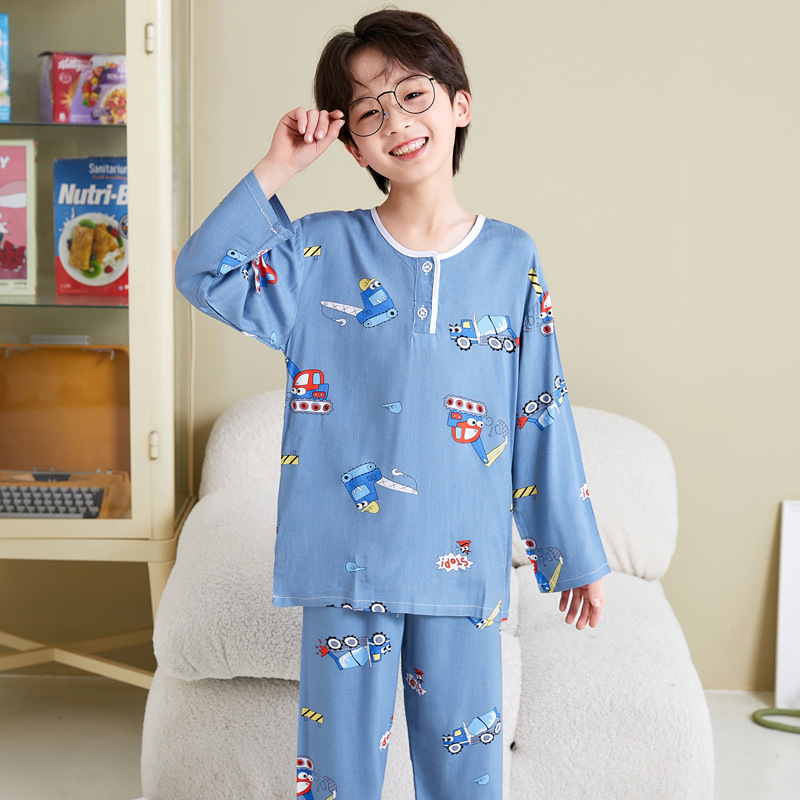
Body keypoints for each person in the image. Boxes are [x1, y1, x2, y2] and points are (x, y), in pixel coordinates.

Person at [175, 9, 610, 799]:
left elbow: (538, 409)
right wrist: (278, 166)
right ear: (352, 145)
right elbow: (203, 273)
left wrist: (571, 552)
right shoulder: (317, 252)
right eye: (370, 111)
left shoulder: (511, 257)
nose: (398, 123)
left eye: (413, 95)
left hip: (463, 575)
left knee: (465, 784)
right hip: (346, 571)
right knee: (337, 784)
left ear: (460, 104)